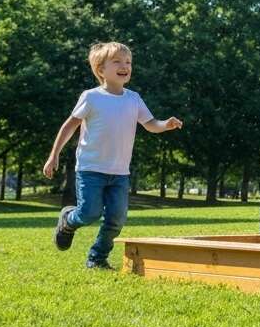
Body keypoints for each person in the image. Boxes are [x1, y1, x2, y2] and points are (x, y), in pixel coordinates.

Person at [43, 42, 182, 269]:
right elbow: (69, 126)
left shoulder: (133, 98)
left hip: (119, 172)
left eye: (128, 62)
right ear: (100, 70)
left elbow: (150, 124)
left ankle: (97, 258)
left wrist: (165, 124)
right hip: (90, 169)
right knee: (89, 214)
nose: (124, 66)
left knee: (116, 219)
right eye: (117, 61)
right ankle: (68, 220)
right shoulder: (91, 97)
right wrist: (53, 155)